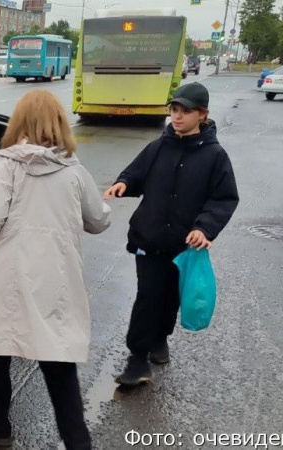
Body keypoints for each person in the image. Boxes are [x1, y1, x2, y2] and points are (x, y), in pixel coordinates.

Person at [0, 90, 111, 449]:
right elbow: (98, 220)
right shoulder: (74, 170)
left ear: (20, 122)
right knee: (57, 356)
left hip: (7, 273)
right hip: (55, 276)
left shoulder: (6, 163)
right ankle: (77, 440)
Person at [104, 82, 239, 386]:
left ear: (202, 114)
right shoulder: (158, 146)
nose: (177, 116)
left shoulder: (215, 156)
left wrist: (204, 227)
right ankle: (137, 360)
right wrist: (124, 183)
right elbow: (135, 173)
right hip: (148, 240)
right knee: (147, 297)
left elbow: (223, 198)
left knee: (169, 298)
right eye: (174, 109)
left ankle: (160, 338)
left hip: (182, 246)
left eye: (185, 111)